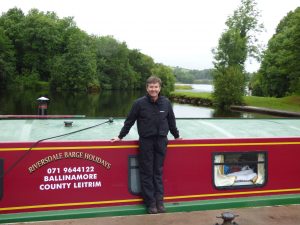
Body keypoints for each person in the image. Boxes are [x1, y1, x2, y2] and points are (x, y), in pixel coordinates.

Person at [111, 76, 181, 214]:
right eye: (151, 87)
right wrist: (120, 136)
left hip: (161, 141)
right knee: (147, 172)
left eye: (156, 87)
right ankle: (151, 203)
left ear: (159, 88)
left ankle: (160, 202)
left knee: (158, 172)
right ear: (147, 88)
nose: (153, 89)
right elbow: (129, 121)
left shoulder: (166, 103)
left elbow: (171, 122)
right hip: (146, 141)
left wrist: (177, 136)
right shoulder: (139, 104)